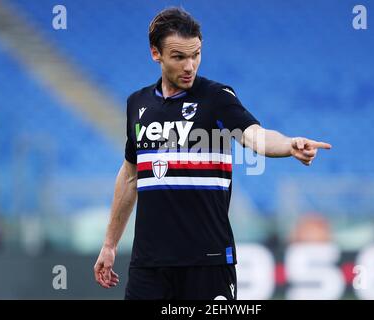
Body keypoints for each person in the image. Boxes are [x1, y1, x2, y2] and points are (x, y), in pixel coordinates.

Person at [94, 7, 332, 300]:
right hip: (150, 265)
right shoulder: (137, 104)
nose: (189, 66)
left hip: (207, 262)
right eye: (179, 57)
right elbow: (130, 175)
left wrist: (289, 145)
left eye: (195, 55)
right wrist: (110, 244)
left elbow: (254, 137)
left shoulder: (216, 98)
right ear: (156, 53)